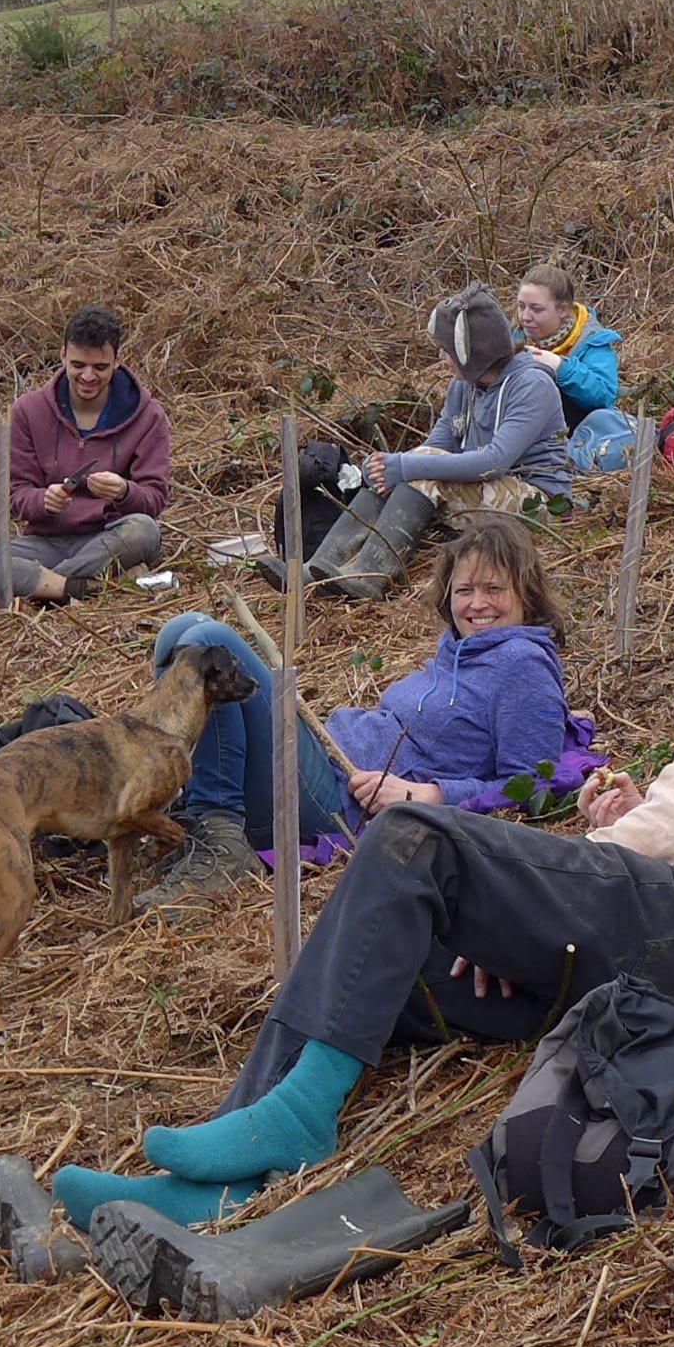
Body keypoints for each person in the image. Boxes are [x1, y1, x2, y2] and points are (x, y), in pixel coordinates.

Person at [7, 556, 674, 1250]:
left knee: (415, 833)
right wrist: (539, 895)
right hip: (645, 937)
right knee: (368, 962)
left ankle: (297, 1122)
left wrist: (556, 876)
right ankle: (213, 1182)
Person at [141, 513, 578, 908]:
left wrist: (432, 794)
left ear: (526, 594)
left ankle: (220, 840)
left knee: (211, 641)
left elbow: (532, 785)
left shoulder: (522, 664)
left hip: (338, 803)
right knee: (181, 632)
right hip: (326, 760)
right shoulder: (457, 648)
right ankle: (207, 817)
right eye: (464, 590)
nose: (476, 604)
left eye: (493, 589)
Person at [306, 284, 573, 599]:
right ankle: (318, 566)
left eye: (447, 349)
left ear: (470, 352)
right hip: (487, 489)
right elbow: (436, 446)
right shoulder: (464, 386)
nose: (441, 356)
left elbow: (494, 460)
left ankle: (371, 575)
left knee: (420, 474)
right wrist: (383, 469)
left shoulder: (531, 385)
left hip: (538, 501)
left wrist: (405, 465)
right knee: (405, 471)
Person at [0, 306, 170, 605]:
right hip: (45, 543)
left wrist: (124, 491)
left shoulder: (148, 416)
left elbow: (154, 499)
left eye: (100, 367)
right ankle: (86, 587)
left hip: (108, 538)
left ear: (118, 361)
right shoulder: (29, 411)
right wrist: (43, 501)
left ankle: (41, 584)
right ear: (63, 356)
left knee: (144, 531)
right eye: (78, 365)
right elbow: (16, 496)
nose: (88, 376)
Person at [514, 261, 639, 476]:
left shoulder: (592, 342)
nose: (525, 316)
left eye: (536, 309)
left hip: (577, 437)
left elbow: (603, 396)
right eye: (521, 306)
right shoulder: (515, 336)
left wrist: (560, 366)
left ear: (563, 310)